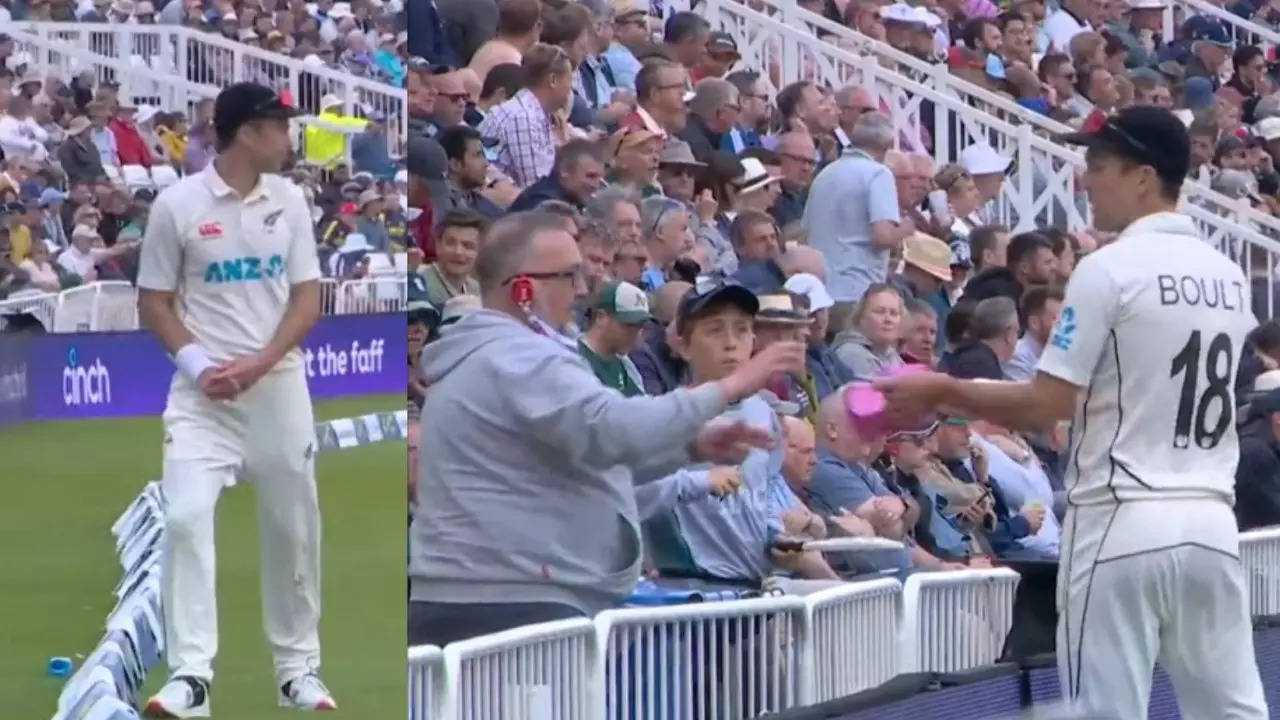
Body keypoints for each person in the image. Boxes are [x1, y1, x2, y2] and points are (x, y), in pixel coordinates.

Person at [877, 106, 1267, 719]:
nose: (1085, 180)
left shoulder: (1106, 269)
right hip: (1210, 519)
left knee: (1104, 710)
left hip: (1122, 513)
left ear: (1143, 176)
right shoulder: (1227, 274)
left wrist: (939, 390)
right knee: (1233, 711)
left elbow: (1047, 403)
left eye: (1100, 166)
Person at [409, 213, 806, 645]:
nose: (582, 290)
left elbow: (589, 459)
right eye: (569, 275)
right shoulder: (518, 357)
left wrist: (690, 447)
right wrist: (730, 387)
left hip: (498, 598)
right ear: (523, 289)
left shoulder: (498, 356)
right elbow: (611, 427)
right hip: (511, 605)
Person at [136, 83, 335, 716]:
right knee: (185, 519)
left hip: (277, 390)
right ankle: (191, 677)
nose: (289, 137)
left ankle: (297, 671)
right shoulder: (178, 205)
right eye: (279, 125)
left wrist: (261, 361)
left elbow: (307, 297)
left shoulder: (292, 200)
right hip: (203, 398)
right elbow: (154, 302)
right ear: (247, 132)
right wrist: (200, 367)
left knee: (293, 529)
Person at [804, 113, 909, 303]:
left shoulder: (825, 174)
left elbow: (804, 232)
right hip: (858, 289)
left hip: (820, 291)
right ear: (887, 145)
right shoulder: (878, 173)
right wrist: (906, 229)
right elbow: (883, 237)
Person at [579, 280, 650, 396]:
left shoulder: (626, 365)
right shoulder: (576, 356)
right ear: (601, 317)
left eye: (640, 326)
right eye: (629, 325)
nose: (636, 334)